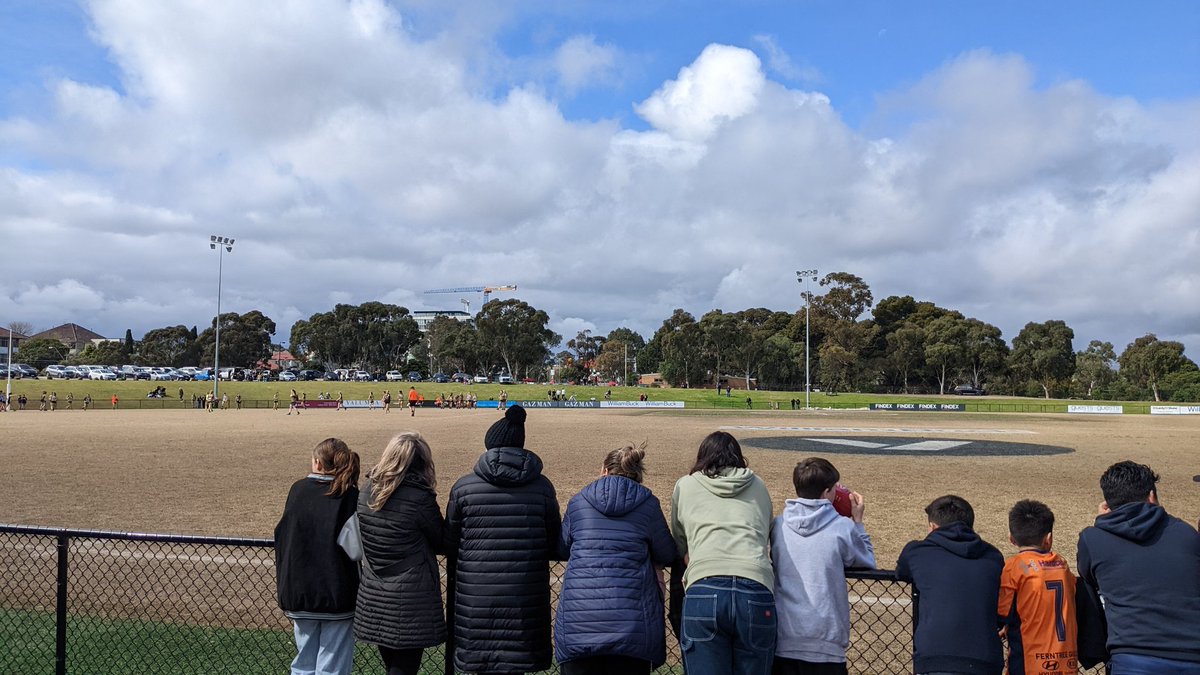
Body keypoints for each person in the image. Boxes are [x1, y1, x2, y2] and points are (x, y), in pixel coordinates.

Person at [447, 405, 561, 675]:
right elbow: (555, 538)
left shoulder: (464, 487)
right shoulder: (542, 486)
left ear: (489, 445)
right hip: (524, 595)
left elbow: (449, 538)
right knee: (515, 661)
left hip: (475, 595)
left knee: (479, 663)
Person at [555, 443, 677, 675]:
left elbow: (561, 548)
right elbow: (667, 553)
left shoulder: (579, 502)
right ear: (637, 474)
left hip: (580, 625)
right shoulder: (648, 504)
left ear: (604, 470)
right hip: (632, 631)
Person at [1076, 461, 1200, 673]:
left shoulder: (1092, 539)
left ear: (1108, 502)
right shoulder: (1187, 534)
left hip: (1132, 655)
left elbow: (1089, 575)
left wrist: (1103, 522)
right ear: (1151, 496)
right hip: (1192, 655)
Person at [670, 431, 776, 675]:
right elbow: (765, 531)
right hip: (755, 587)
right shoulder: (758, 484)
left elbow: (679, 539)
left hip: (704, 586)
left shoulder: (686, 484)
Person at [355, 432, 448, 675]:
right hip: (410, 595)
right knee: (404, 667)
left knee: (393, 664)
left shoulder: (366, 491)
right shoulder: (418, 497)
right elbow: (441, 540)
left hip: (375, 589)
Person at [771, 458, 875, 675]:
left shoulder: (778, 526)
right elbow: (867, 561)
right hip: (826, 641)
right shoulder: (842, 527)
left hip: (784, 638)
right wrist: (858, 522)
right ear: (827, 492)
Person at [274, 438, 362, 675]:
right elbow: (355, 548)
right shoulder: (349, 495)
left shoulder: (298, 489)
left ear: (318, 463)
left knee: (303, 663)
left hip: (299, 590)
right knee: (332, 667)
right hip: (338, 593)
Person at [895, 495, 1004, 675]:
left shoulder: (917, 551)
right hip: (985, 659)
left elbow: (902, 572)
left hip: (936, 659)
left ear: (932, 527)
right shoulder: (993, 556)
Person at [999, 500, 1077, 675]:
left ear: (1011, 538)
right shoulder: (1062, 564)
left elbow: (1002, 612)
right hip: (1067, 663)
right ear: (1048, 539)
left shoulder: (1014, 566)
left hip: (1030, 662)